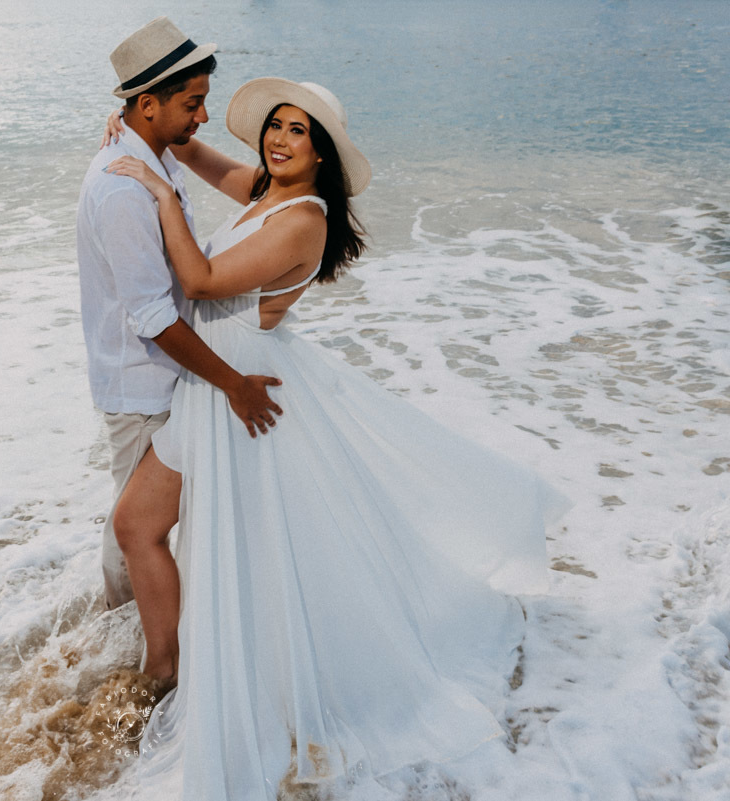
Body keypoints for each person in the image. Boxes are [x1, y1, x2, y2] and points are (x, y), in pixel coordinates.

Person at [105, 78, 573, 798]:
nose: (280, 140)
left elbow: (197, 282)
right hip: (219, 385)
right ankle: (167, 668)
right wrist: (144, 134)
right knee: (142, 525)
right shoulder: (265, 191)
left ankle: (212, 674)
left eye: (299, 133)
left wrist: (160, 197)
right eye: (277, 127)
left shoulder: (303, 220)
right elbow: (199, 153)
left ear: (322, 154)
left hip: (241, 392)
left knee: (250, 549)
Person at [77, 17, 283, 618]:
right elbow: (152, 316)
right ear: (148, 104)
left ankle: (142, 630)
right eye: (193, 103)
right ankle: (123, 636)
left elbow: (194, 150)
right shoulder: (124, 188)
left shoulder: (151, 157)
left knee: (143, 522)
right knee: (135, 528)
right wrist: (234, 385)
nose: (202, 117)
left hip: (169, 376)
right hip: (145, 382)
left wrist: (133, 126)